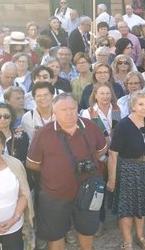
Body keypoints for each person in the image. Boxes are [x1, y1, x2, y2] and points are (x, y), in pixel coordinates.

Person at [26, 93, 108, 250]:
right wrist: (56, 173)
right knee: (55, 234)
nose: (70, 112)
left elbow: (100, 152)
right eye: (64, 109)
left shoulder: (91, 127)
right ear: (54, 112)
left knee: (87, 231)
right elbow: (32, 164)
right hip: (55, 194)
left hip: (88, 191)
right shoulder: (43, 133)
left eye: (73, 108)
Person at [107, 90, 145, 250]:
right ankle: (128, 241)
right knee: (127, 208)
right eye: (140, 104)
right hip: (128, 171)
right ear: (133, 106)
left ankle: (140, 236)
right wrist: (112, 179)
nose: (144, 107)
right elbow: (113, 154)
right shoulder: (123, 124)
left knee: (140, 206)